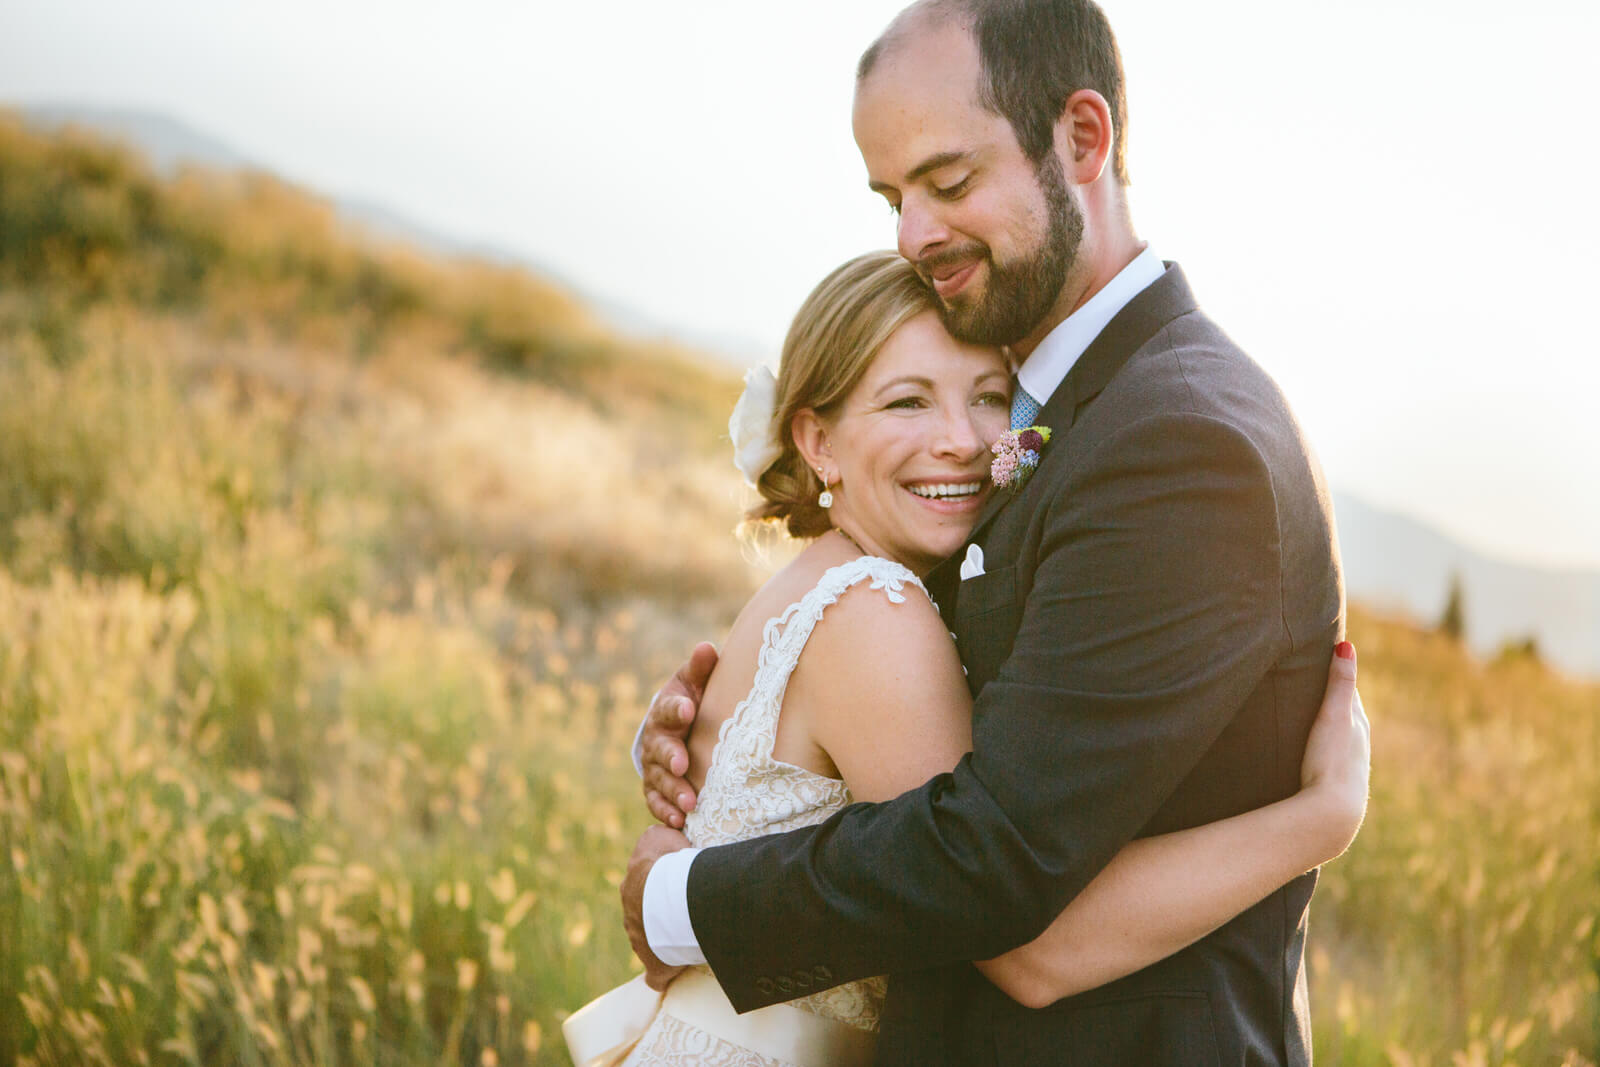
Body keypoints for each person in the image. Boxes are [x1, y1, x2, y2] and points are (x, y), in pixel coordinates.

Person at [624, 1, 1351, 1064]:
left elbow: (993, 871)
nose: (914, 235)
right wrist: (743, 746)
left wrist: (680, 893)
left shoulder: (1182, 437)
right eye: (893, 197)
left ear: (1083, 138)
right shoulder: (1049, 403)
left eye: (949, 182)